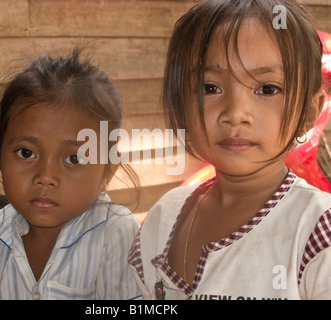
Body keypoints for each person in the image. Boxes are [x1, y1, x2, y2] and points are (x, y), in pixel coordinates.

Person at [128, 0, 331, 300]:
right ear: (180, 102)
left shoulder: (317, 229)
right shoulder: (164, 217)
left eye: (267, 89)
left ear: (309, 113)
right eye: (210, 88)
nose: (235, 113)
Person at [0, 47, 141, 300]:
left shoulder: (115, 235)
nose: (45, 176)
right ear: (0, 155)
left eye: (74, 158)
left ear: (107, 172)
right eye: (26, 153)